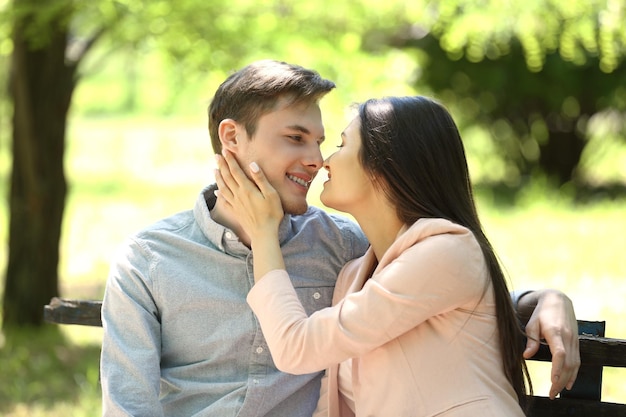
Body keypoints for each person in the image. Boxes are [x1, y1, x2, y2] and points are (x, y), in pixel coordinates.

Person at [100, 60, 579, 417]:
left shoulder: (341, 247)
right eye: (295, 138)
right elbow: (128, 405)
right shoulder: (150, 261)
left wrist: (544, 298)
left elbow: (440, 288)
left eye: (325, 141)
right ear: (231, 139)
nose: (317, 158)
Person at [214, 95, 577, 416]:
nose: (323, 162)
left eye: (340, 145)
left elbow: (297, 347)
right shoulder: (354, 274)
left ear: (385, 168)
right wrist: (544, 298)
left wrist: (265, 234)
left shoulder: (447, 249)